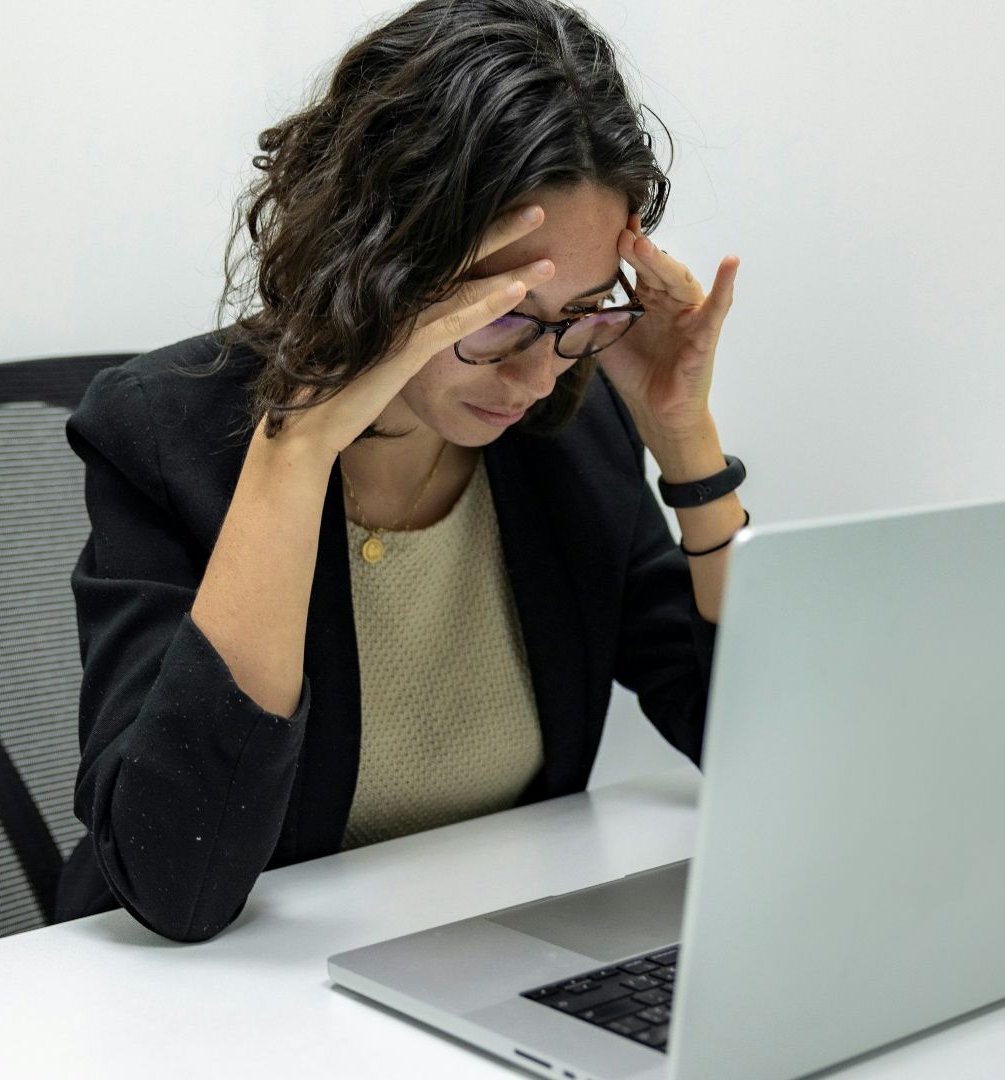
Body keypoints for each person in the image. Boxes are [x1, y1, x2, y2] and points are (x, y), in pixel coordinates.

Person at [53, 0, 746, 942]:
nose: (539, 372)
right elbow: (179, 883)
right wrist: (296, 454)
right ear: (378, 262)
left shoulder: (565, 439)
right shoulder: (166, 437)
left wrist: (686, 442)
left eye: (582, 313)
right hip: (209, 1008)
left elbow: (760, 749)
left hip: (475, 964)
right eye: (499, 313)